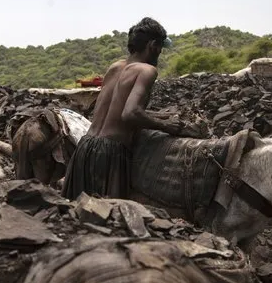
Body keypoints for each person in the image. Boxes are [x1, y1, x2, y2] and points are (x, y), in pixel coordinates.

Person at [61, 17, 202, 201]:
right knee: (109, 219)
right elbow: (130, 113)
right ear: (152, 45)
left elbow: (116, 109)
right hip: (110, 153)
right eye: (160, 48)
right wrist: (168, 126)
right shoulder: (146, 70)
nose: (160, 53)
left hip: (85, 147)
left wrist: (161, 115)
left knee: (76, 215)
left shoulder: (115, 67)